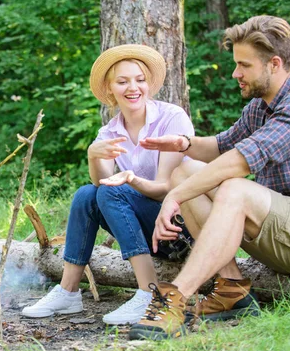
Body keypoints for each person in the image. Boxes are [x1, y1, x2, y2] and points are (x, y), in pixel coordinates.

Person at [127, 15, 290, 340]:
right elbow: (221, 147)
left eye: (243, 65)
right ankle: (232, 290)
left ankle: (175, 299)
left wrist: (172, 198)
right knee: (184, 170)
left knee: (234, 188)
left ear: (274, 64)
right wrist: (186, 144)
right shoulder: (260, 107)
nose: (236, 73)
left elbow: (240, 161)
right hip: (286, 235)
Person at [21, 44, 195, 325]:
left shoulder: (171, 118)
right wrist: (93, 155)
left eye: (139, 80)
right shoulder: (110, 131)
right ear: (109, 88)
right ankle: (68, 292)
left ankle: (149, 292)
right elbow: (100, 186)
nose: (133, 87)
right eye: (123, 81)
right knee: (86, 195)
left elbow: (165, 188)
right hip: (145, 230)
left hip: (178, 230)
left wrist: (131, 179)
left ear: (148, 84)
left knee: (112, 190)